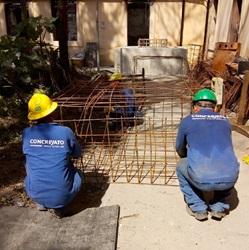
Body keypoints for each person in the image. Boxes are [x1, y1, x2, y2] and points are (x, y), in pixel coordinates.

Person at [176, 88, 239, 221]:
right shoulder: (225, 121)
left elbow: (180, 148)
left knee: (181, 166)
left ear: (195, 106)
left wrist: (188, 158)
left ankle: (198, 208)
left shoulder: (187, 121)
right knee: (229, 164)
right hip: (229, 178)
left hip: (201, 178)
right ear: (214, 108)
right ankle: (219, 207)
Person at [22, 93, 83, 218]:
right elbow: (77, 154)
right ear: (53, 112)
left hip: (35, 193)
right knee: (79, 174)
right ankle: (60, 206)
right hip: (63, 195)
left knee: (28, 166)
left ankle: (41, 203)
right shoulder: (65, 131)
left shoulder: (26, 133)